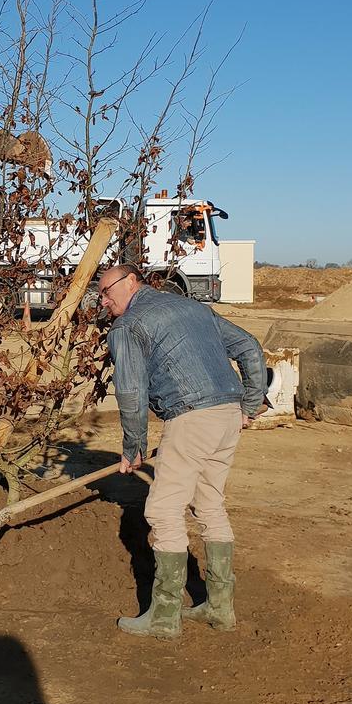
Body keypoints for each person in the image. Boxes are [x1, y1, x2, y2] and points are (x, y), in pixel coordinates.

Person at [98, 264, 266, 639]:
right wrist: (250, 405)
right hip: (226, 414)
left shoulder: (127, 326)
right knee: (210, 504)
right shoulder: (192, 307)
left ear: (131, 281)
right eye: (100, 295)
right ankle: (220, 607)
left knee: (162, 509)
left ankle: (164, 616)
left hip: (191, 417)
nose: (103, 301)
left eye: (107, 291)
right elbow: (249, 347)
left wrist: (133, 447)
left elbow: (131, 392)